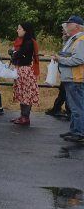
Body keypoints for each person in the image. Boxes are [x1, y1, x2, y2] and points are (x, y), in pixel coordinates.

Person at [52, 15, 84, 143]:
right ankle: (74, 130)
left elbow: (79, 59)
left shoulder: (80, 40)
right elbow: (69, 53)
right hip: (71, 78)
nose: (66, 26)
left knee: (77, 107)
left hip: (75, 78)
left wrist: (60, 59)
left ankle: (79, 132)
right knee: (74, 106)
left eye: (69, 24)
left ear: (77, 26)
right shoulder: (74, 39)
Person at [9, 22, 40, 126]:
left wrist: (14, 54)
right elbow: (17, 54)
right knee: (23, 93)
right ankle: (23, 116)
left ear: (25, 30)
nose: (17, 30)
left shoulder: (28, 42)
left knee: (26, 93)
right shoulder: (26, 41)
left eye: (19, 29)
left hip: (25, 70)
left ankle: (25, 117)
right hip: (23, 70)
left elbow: (18, 54)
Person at [46, 23, 73, 120]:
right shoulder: (67, 40)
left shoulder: (73, 41)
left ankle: (65, 111)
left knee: (65, 91)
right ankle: (59, 109)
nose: (62, 31)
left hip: (70, 72)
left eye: (64, 29)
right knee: (63, 91)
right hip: (66, 71)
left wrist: (59, 57)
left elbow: (67, 54)